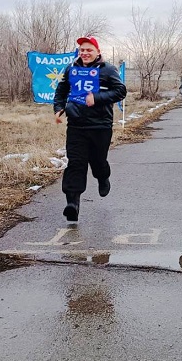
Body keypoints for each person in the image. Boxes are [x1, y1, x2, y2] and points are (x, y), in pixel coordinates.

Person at [53, 36, 127, 222]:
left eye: (89, 50)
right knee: (76, 163)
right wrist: (59, 108)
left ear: (97, 52)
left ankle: (103, 177)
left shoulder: (108, 70)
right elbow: (61, 91)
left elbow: (121, 91)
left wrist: (97, 98)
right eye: (82, 50)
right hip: (76, 124)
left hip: (100, 125)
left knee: (97, 160)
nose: (85, 53)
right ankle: (72, 204)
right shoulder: (71, 69)